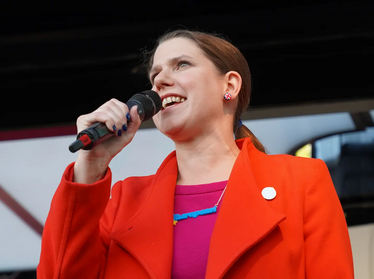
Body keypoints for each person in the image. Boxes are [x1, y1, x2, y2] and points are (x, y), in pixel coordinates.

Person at [38, 30, 354, 278]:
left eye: (182, 64)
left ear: (229, 85)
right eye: (154, 75)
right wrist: (91, 165)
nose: (159, 80)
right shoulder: (124, 200)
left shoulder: (300, 181)